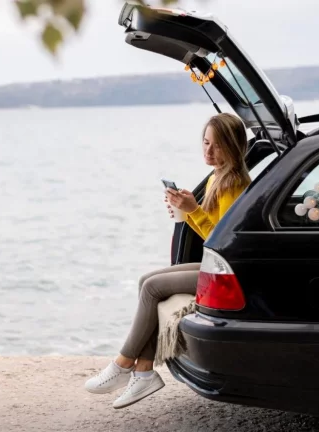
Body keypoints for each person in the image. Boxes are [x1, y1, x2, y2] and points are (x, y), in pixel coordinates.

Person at [83, 112, 252, 409]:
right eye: (205, 143)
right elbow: (210, 234)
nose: (208, 151)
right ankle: (143, 371)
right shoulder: (217, 177)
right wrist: (186, 210)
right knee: (146, 281)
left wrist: (193, 211)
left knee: (152, 288)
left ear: (234, 146)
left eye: (217, 145)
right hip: (216, 265)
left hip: (228, 271)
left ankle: (124, 365)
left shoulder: (233, 183)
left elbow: (225, 243)